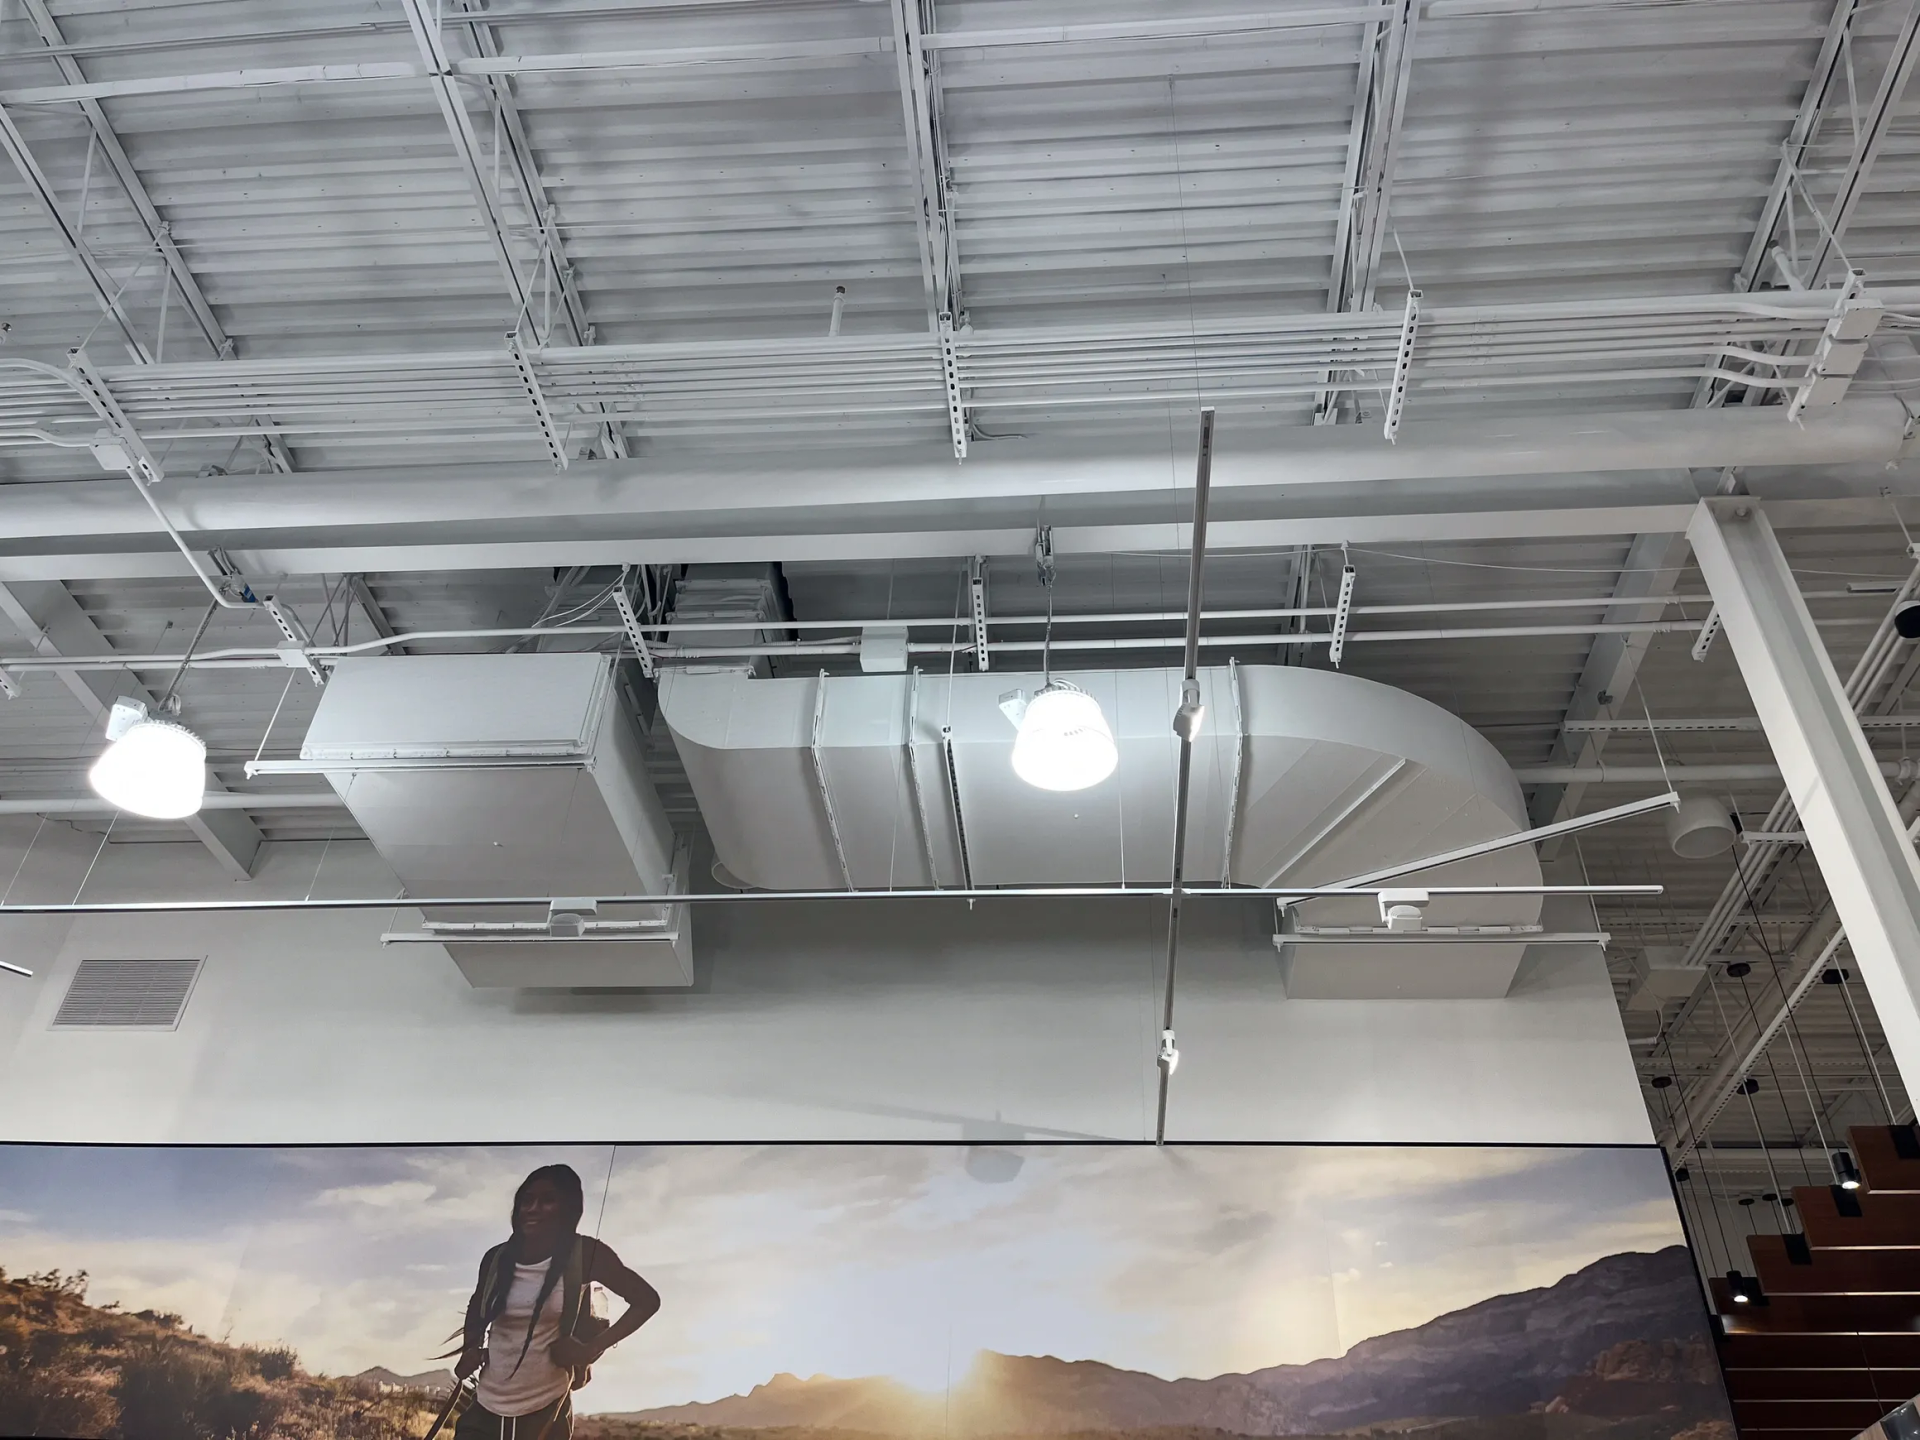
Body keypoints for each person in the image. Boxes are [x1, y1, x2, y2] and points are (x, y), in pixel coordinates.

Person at [450, 1163, 660, 1440]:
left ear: (568, 1208)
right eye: (527, 1200)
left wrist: (591, 1349)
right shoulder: (496, 1258)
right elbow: (477, 1309)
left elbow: (647, 1300)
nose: (533, 1208)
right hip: (486, 1406)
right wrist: (470, 1349)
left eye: (547, 1200)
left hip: (546, 1410)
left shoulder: (585, 1254)